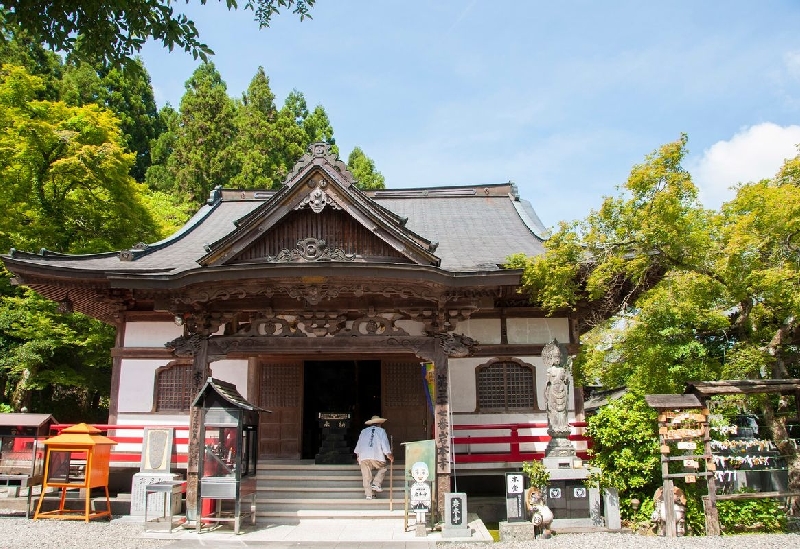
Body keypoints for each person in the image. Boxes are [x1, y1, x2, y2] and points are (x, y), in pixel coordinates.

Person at [353, 415, 393, 499]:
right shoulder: (381, 431)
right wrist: (389, 455)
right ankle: (376, 483)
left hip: (363, 456)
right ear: (379, 424)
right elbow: (384, 444)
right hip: (376, 455)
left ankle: (369, 494)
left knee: (366, 476)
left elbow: (359, 444)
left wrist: (358, 455)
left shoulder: (363, 431)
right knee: (383, 467)